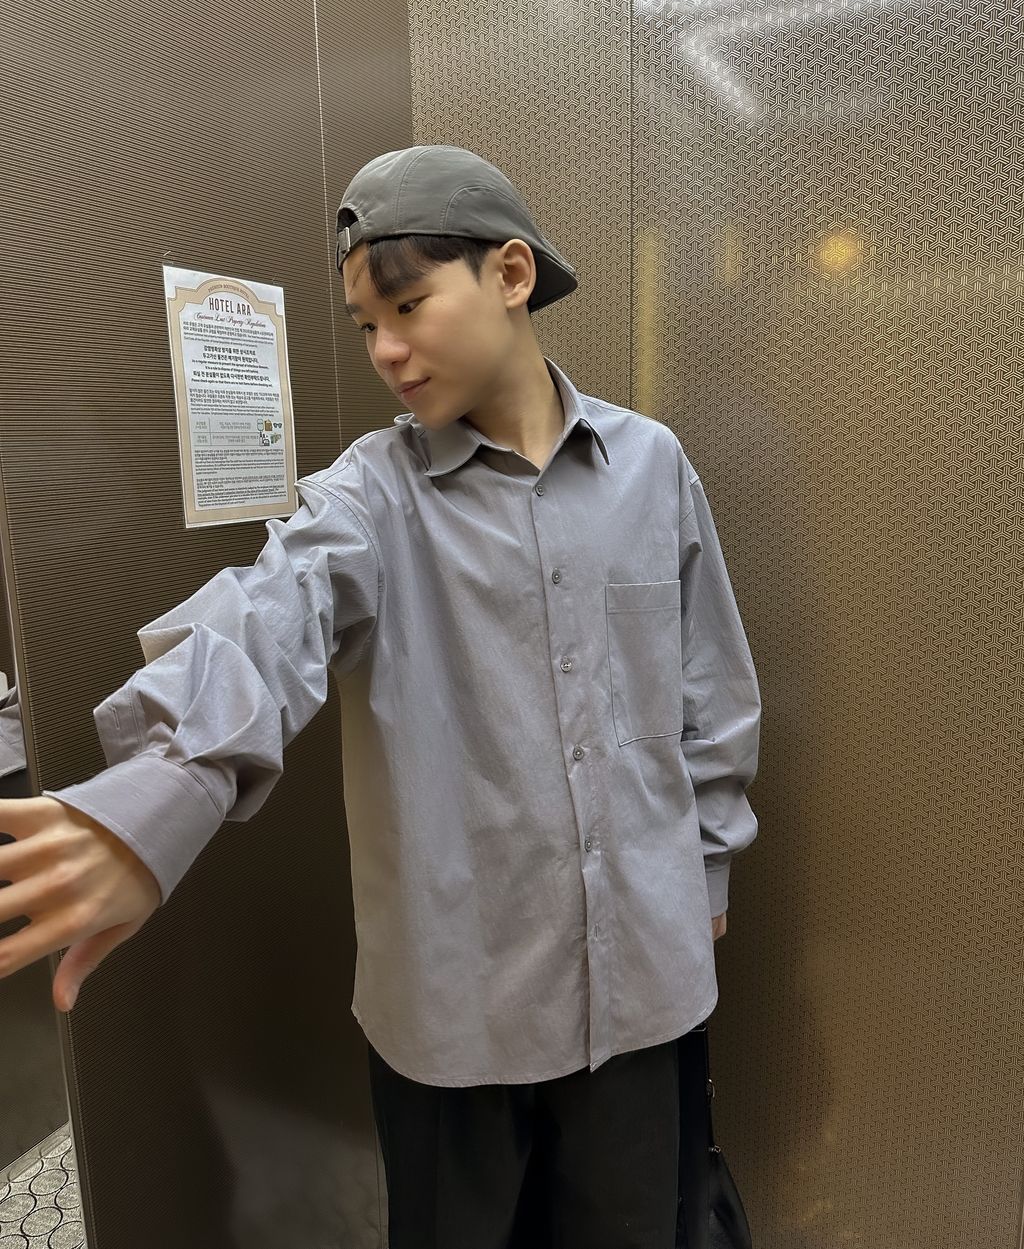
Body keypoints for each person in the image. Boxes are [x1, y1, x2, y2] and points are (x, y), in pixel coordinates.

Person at [0, 145, 761, 1248]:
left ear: (510, 274)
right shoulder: (368, 496)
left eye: (407, 307)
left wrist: (708, 864)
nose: (386, 352)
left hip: (648, 983)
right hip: (458, 1020)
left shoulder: (652, 466)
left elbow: (710, 687)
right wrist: (162, 789)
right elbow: (268, 616)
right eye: (365, 326)